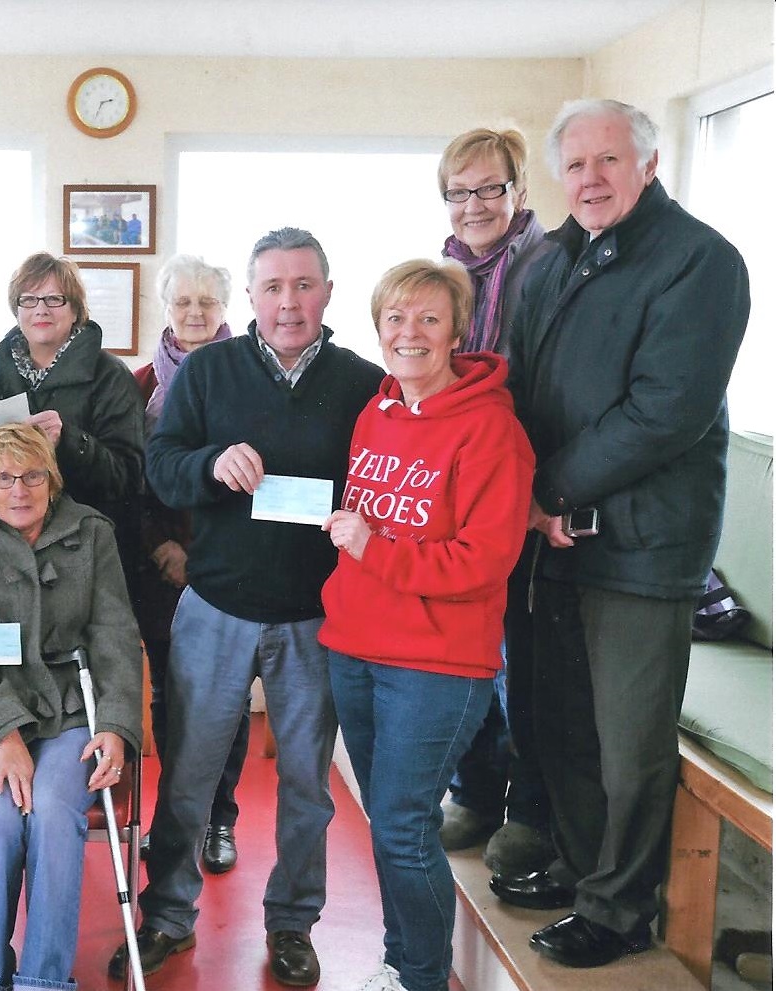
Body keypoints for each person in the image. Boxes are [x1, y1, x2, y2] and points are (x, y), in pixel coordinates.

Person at [492, 98, 750, 969]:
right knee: (559, 717)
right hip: (553, 535)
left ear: (647, 164)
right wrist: (521, 496)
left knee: (630, 739)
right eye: (574, 165)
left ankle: (620, 906)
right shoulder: (552, 257)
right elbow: (521, 388)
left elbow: (663, 412)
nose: (590, 179)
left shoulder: (700, 261)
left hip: (641, 545)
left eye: (608, 161)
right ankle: (579, 865)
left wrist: (545, 490)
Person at [115, 228, 382, 987]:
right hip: (215, 608)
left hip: (313, 617)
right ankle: (166, 914)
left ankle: (292, 921)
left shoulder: (363, 382)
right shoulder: (207, 372)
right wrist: (209, 464)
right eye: (271, 287)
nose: (287, 301)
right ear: (251, 298)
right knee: (189, 775)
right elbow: (162, 471)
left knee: (306, 784)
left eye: (302, 285)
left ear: (327, 291)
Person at [319, 259, 534, 991]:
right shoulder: (372, 414)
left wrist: (375, 550)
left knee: (405, 826)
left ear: (456, 331)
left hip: (436, 662)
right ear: (377, 327)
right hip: (353, 647)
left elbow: (481, 560)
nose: (408, 333)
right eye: (395, 318)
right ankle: (399, 958)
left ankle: (420, 976)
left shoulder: (490, 428)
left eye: (428, 319)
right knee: (389, 824)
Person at [0, 424, 143, 991]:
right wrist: (4, 736)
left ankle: (43, 981)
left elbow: (116, 636)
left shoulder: (92, 533)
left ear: (52, 481)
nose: (19, 490)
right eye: (4, 478)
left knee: (54, 814)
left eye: (32, 476)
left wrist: (120, 727)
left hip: (72, 707)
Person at [435, 127, 554, 876]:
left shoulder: (546, 267)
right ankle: (474, 793)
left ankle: (529, 810)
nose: (473, 204)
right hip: (460, 481)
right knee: (465, 651)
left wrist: (538, 490)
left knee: (521, 662)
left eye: (489, 188)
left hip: (526, 480)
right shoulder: (442, 273)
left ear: (517, 191)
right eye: (458, 191)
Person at [134, 254, 248, 875]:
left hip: (226, 564)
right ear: (166, 307)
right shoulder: (140, 385)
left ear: (226, 306)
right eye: (184, 303)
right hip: (160, 566)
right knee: (170, 699)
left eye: (208, 302)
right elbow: (137, 479)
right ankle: (174, 819)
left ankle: (220, 819)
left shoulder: (248, 375)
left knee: (224, 698)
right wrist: (162, 547)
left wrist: (201, 554)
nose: (196, 313)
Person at [0, 252, 144, 589]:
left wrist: (69, 442)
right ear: (17, 310)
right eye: (28, 299)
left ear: (75, 310)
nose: (40, 309)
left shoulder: (111, 376)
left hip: (87, 548)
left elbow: (129, 478)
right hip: (14, 548)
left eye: (54, 299)